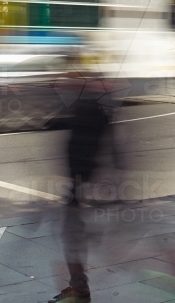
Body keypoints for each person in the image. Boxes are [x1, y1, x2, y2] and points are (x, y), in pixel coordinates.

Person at [48, 61, 119, 303]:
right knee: (73, 238)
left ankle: (80, 289)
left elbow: (74, 138)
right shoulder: (97, 110)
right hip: (84, 184)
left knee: (71, 238)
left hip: (82, 185)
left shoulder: (88, 110)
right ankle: (78, 286)